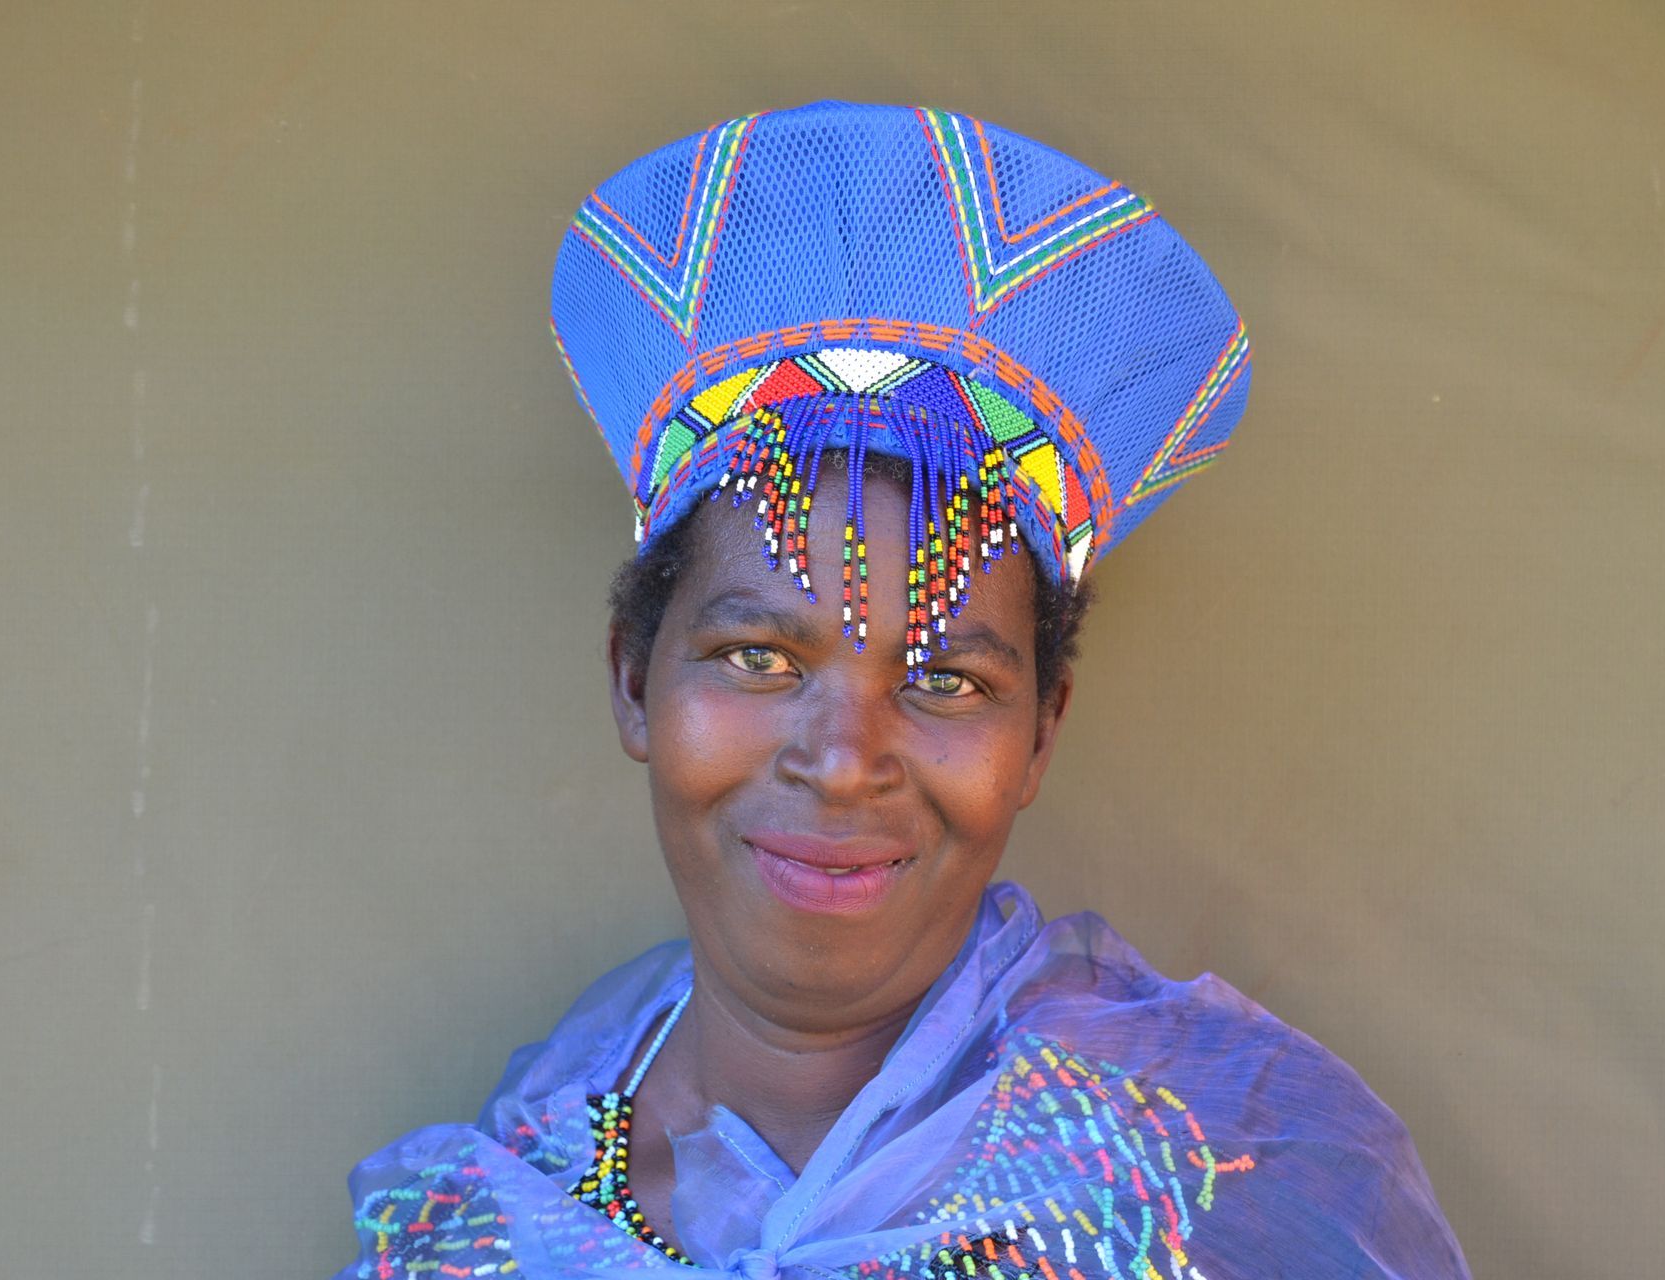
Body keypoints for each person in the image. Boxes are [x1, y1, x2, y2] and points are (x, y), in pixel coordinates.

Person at [336, 101, 1470, 1279]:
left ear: (1039, 734)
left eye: (943, 677)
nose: (841, 757)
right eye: (760, 659)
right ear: (634, 678)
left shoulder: (1225, 1176)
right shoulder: (512, 1186)